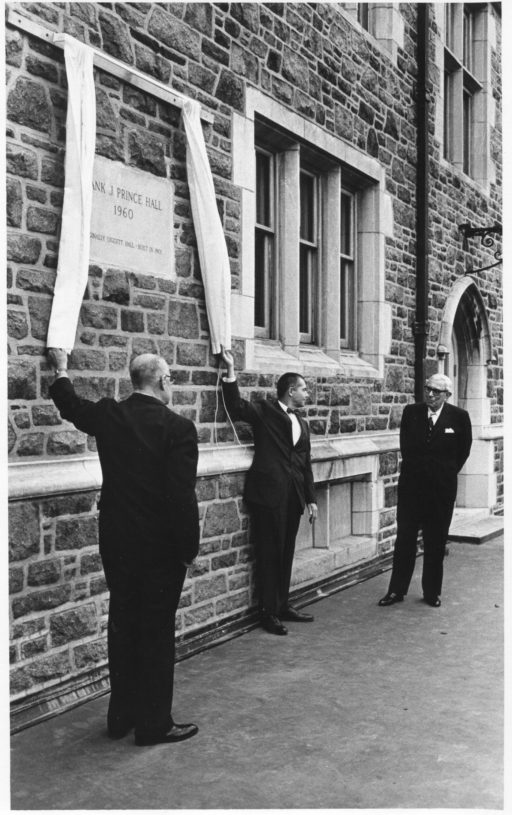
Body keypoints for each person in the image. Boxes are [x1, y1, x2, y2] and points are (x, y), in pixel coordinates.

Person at [47, 348, 200, 745]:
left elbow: (70, 404)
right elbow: (180, 497)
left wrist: (61, 368)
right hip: (162, 551)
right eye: (171, 380)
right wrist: (189, 548)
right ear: (163, 381)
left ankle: (122, 716)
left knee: (124, 625)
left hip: (117, 544)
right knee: (156, 632)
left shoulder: (110, 415)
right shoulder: (178, 429)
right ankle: (153, 724)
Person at [219, 349, 318, 635]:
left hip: (294, 497)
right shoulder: (265, 410)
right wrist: (230, 371)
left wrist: (311, 499)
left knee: (286, 551)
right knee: (268, 553)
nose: (307, 394)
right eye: (303, 389)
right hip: (268, 496)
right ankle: (268, 612)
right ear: (290, 391)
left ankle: (283, 604)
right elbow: (236, 407)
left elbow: (305, 463)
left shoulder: (303, 424)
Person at [378, 373, 472, 608]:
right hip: (412, 490)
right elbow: (406, 447)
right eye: (428, 388)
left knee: (436, 542)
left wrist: (443, 474)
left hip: (441, 492)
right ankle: (396, 590)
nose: (430, 394)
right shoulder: (412, 413)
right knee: (405, 542)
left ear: (447, 395)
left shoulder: (459, 418)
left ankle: (431, 593)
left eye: (436, 391)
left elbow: (463, 452)